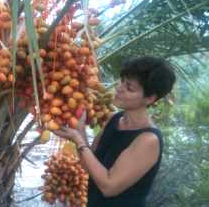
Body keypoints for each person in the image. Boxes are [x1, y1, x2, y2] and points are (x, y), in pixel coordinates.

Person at [53, 56, 176, 207]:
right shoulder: (114, 119)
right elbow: (90, 166)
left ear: (150, 98)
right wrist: (79, 129)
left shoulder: (148, 140)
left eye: (129, 88)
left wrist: (78, 140)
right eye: (122, 80)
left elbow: (109, 187)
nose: (119, 87)